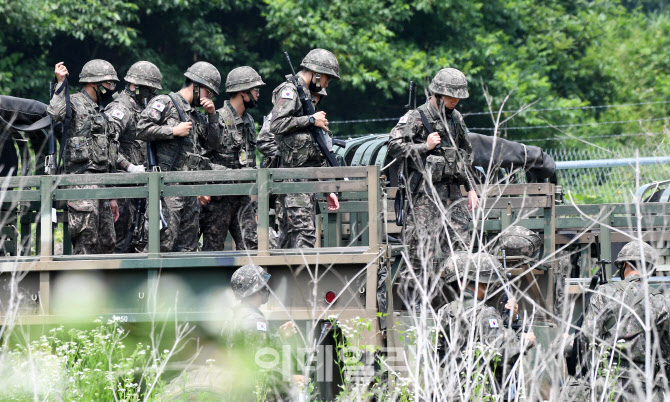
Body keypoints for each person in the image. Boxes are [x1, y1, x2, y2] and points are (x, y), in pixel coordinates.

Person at [388, 67, 478, 309]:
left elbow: (466, 155)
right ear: (438, 94)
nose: (455, 101)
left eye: (458, 97)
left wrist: (470, 187)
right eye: (451, 96)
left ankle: (459, 305)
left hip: (452, 196)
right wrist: (424, 147)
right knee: (419, 253)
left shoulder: (456, 119)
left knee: (461, 249)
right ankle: (413, 306)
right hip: (424, 197)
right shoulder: (416, 117)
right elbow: (394, 147)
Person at [562, 241, 670, 400]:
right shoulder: (661, 301)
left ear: (624, 264)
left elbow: (586, 338)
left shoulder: (604, 294)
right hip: (648, 384)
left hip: (610, 382)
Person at [136, 61, 221, 252]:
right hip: (166, 188)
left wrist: (212, 116)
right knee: (163, 243)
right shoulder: (166, 103)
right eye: (209, 92)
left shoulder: (197, 116)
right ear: (197, 87)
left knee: (188, 247)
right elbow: (141, 128)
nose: (210, 97)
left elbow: (213, 145)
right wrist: (173, 130)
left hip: (190, 190)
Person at [268, 49, 340, 249]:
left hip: (305, 181)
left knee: (292, 239)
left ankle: (285, 279)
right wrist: (310, 119)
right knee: (305, 236)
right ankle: (303, 281)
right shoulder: (290, 90)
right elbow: (276, 125)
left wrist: (327, 188)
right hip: (293, 180)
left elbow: (315, 149)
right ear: (316, 74)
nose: (327, 84)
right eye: (327, 78)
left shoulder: (307, 95)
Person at [439, 251, 536, 399]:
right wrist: (526, 341)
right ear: (480, 283)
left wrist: (511, 320)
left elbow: (440, 355)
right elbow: (502, 354)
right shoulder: (486, 314)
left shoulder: (444, 312)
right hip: (482, 393)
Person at [47, 60, 120, 255]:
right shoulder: (74, 102)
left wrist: (111, 195)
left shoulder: (102, 111)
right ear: (93, 83)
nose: (111, 88)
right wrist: (60, 83)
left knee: (108, 243)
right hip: (81, 183)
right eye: (108, 83)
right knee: (86, 244)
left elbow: (109, 155)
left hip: (102, 184)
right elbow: (54, 113)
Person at [199, 66, 265, 251]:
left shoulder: (249, 121)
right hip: (219, 198)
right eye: (255, 90)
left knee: (251, 247)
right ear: (243, 92)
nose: (258, 94)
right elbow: (202, 160)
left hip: (243, 197)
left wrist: (256, 203)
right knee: (213, 251)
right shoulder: (216, 119)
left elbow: (250, 161)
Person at [104, 61, 162, 253]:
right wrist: (129, 166)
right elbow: (106, 144)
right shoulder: (121, 108)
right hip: (122, 187)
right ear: (136, 87)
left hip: (138, 187)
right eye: (149, 90)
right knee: (121, 243)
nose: (152, 95)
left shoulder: (139, 108)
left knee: (137, 240)